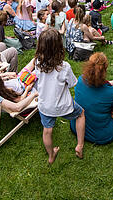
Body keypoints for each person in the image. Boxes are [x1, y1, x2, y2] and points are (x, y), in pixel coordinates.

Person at [34, 28, 86, 164]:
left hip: (45, 105)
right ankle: (79, 146)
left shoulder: (37, 63)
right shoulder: (65, 67)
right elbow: (71, 84)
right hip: (63, 105)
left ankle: (51, 156)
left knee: (47, 130)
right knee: (81, 114)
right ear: (59, 46)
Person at [71, 52, 113, 145]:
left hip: (76, 127)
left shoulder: (81, 79)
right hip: (102, 135)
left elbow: (105, 83)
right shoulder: (110, 92)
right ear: (104, 71)